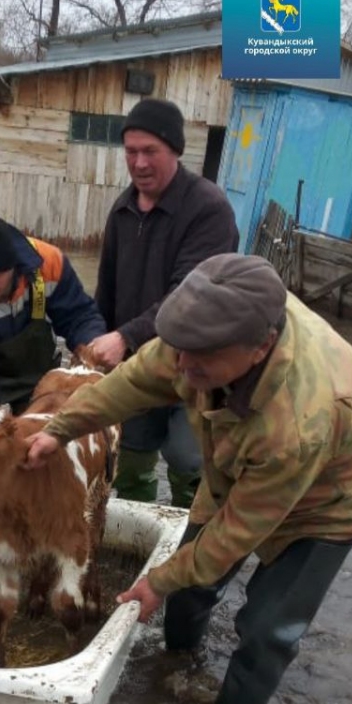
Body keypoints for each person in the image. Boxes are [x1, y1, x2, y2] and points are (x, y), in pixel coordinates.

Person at [26, 254, 352, 704]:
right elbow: (131, 383)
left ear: (260, 349)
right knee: (190, 587)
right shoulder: (195, 341)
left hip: (325, 505)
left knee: (266, 630)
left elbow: (237, 532)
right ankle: (176, 665)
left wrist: (156, 581)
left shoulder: (298, 423)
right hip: (235, 466)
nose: (180, 365)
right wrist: (60, 430)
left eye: (197, 359)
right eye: (177, 349)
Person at [88, 98, 239, 507]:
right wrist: (94, 339)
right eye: (131, 151)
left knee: (189, 458)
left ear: (174, 149)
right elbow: (108, 289)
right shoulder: (122, 208)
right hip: (138, 361)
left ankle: (193, 538)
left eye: (150, 151)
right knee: (131, 455)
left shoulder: (209, 209)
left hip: (197, 362)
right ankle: (133, 529)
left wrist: (125, 336)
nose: (138, 163)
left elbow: (190, 295)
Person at [0, 213, 106, 413]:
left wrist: (93, 350)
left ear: (13, 267)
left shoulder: (49, 263)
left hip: (39, 376)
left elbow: (79, 317)